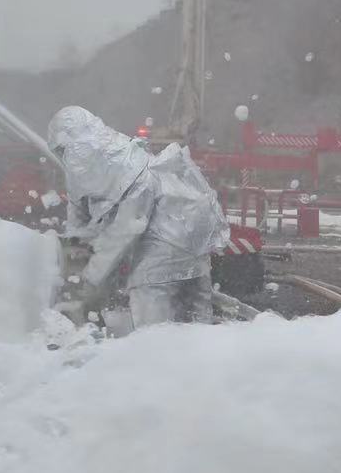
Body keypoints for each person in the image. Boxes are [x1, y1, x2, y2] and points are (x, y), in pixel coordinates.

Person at [46, 106, 231, 327]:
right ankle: (199, 355)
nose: (66, 157)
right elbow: (80, 217)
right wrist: (76, 251)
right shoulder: (106, 158)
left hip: (166, 237)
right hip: (190, 235)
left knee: (153, 326)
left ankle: (157, 357)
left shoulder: (124, 164)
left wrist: (89, 278)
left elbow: (128, 226)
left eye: (64, 149)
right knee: (196, 323)